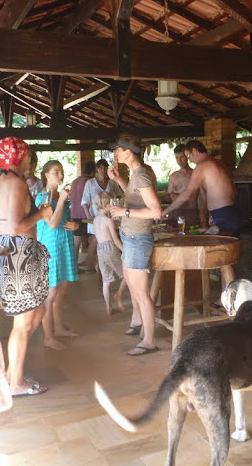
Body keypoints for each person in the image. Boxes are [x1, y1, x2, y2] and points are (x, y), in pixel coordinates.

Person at [0, 136, 53, 397]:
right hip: (19, 257)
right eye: (28, 155)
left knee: (36, 314)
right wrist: (42, 214)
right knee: (23, 322)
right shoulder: (16, 184)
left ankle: (12, 372)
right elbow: (14, 227)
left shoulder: (0, 183)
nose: (30, 160)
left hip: (14, 254)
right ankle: (15, 382)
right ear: (20, 157)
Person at [108, 137, 162, 356]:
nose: (116, 154)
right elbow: (135, 195)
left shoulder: (141, 175)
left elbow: (156, 211)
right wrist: (119, 180)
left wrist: (125, 212)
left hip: (138, 238)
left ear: (128, 152)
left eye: (118, 150)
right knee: (132, 286)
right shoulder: (138, 173)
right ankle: (138, 320)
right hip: (130, 237)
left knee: (142, 293)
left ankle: (149, 341)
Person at [35, 160, 80, 350]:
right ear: (46, 175)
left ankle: (59, 328)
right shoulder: (42, 198)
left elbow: (64, 221)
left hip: (64, 246)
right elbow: (52, 224)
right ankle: (48, 336)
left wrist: (75, 225)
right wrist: (61, 200)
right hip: (50, 250)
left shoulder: (61, 197)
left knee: (61, 291)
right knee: (50, 293)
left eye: (61, 172)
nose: (60, 176)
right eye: (56, 172)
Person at [163, 139, 241, 236]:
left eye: (188, 156)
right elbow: (207, 196)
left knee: (222, 245)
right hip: (231, 211)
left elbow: (187, 194)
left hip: (222, 214)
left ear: (194, 151)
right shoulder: (218, 162)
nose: (190, 160)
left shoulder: (202, 166)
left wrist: (165, 211)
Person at [80, 159, 121, 271]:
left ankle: (99, 264)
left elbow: (120, 196)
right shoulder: (90, 183)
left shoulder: (112, 183)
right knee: (95, 239)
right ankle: (93, 262)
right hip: (95, 217)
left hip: (109, 217)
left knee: (106, 239)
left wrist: (112, 197)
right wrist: (88, 215)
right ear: (97, 169)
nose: (103, 170)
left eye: (105, 168)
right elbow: (84, 200)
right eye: (101, 168)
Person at [93, 191, 128, 315]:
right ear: (105, 205)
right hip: (110, 248)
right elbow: (116, 240)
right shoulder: (108, 220)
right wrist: (125, 251)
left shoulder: (95, 220)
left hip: (100, 249)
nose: (112, 205)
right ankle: (119, 295)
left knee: (106, 281)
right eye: (110, 203)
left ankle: (108, 307)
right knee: (126, 274)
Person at [165, 143, 202, 227]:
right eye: (177, 158)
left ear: (187, 157)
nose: (179, 161)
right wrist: (172, 196)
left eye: (182, 157)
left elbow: (202, 195)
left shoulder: (195, 173)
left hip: (193, 212)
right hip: (178, 213)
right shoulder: (173, 176)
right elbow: (169, 195)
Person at [69, 160, 96, 262]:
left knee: (77, 242)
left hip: (74, 213)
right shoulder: (89, 182)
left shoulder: (75, 181)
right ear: (93, 171)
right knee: (90, 239)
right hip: (85, 215)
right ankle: (86, 263)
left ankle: (75, 264)